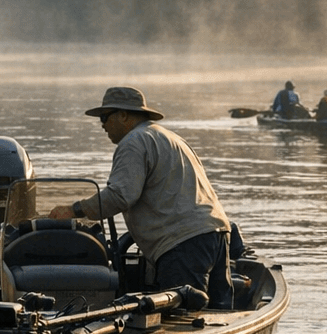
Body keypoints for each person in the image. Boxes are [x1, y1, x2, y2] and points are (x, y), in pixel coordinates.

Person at [48, 86, 233, 308]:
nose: (102, 125)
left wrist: (74, 210)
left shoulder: (133, 142)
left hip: (182, 244)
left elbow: (120, 196)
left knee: (181, 318)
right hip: (217, 233)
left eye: (105, 118)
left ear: (123, 116)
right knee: (220, 314)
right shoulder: (170, 137)